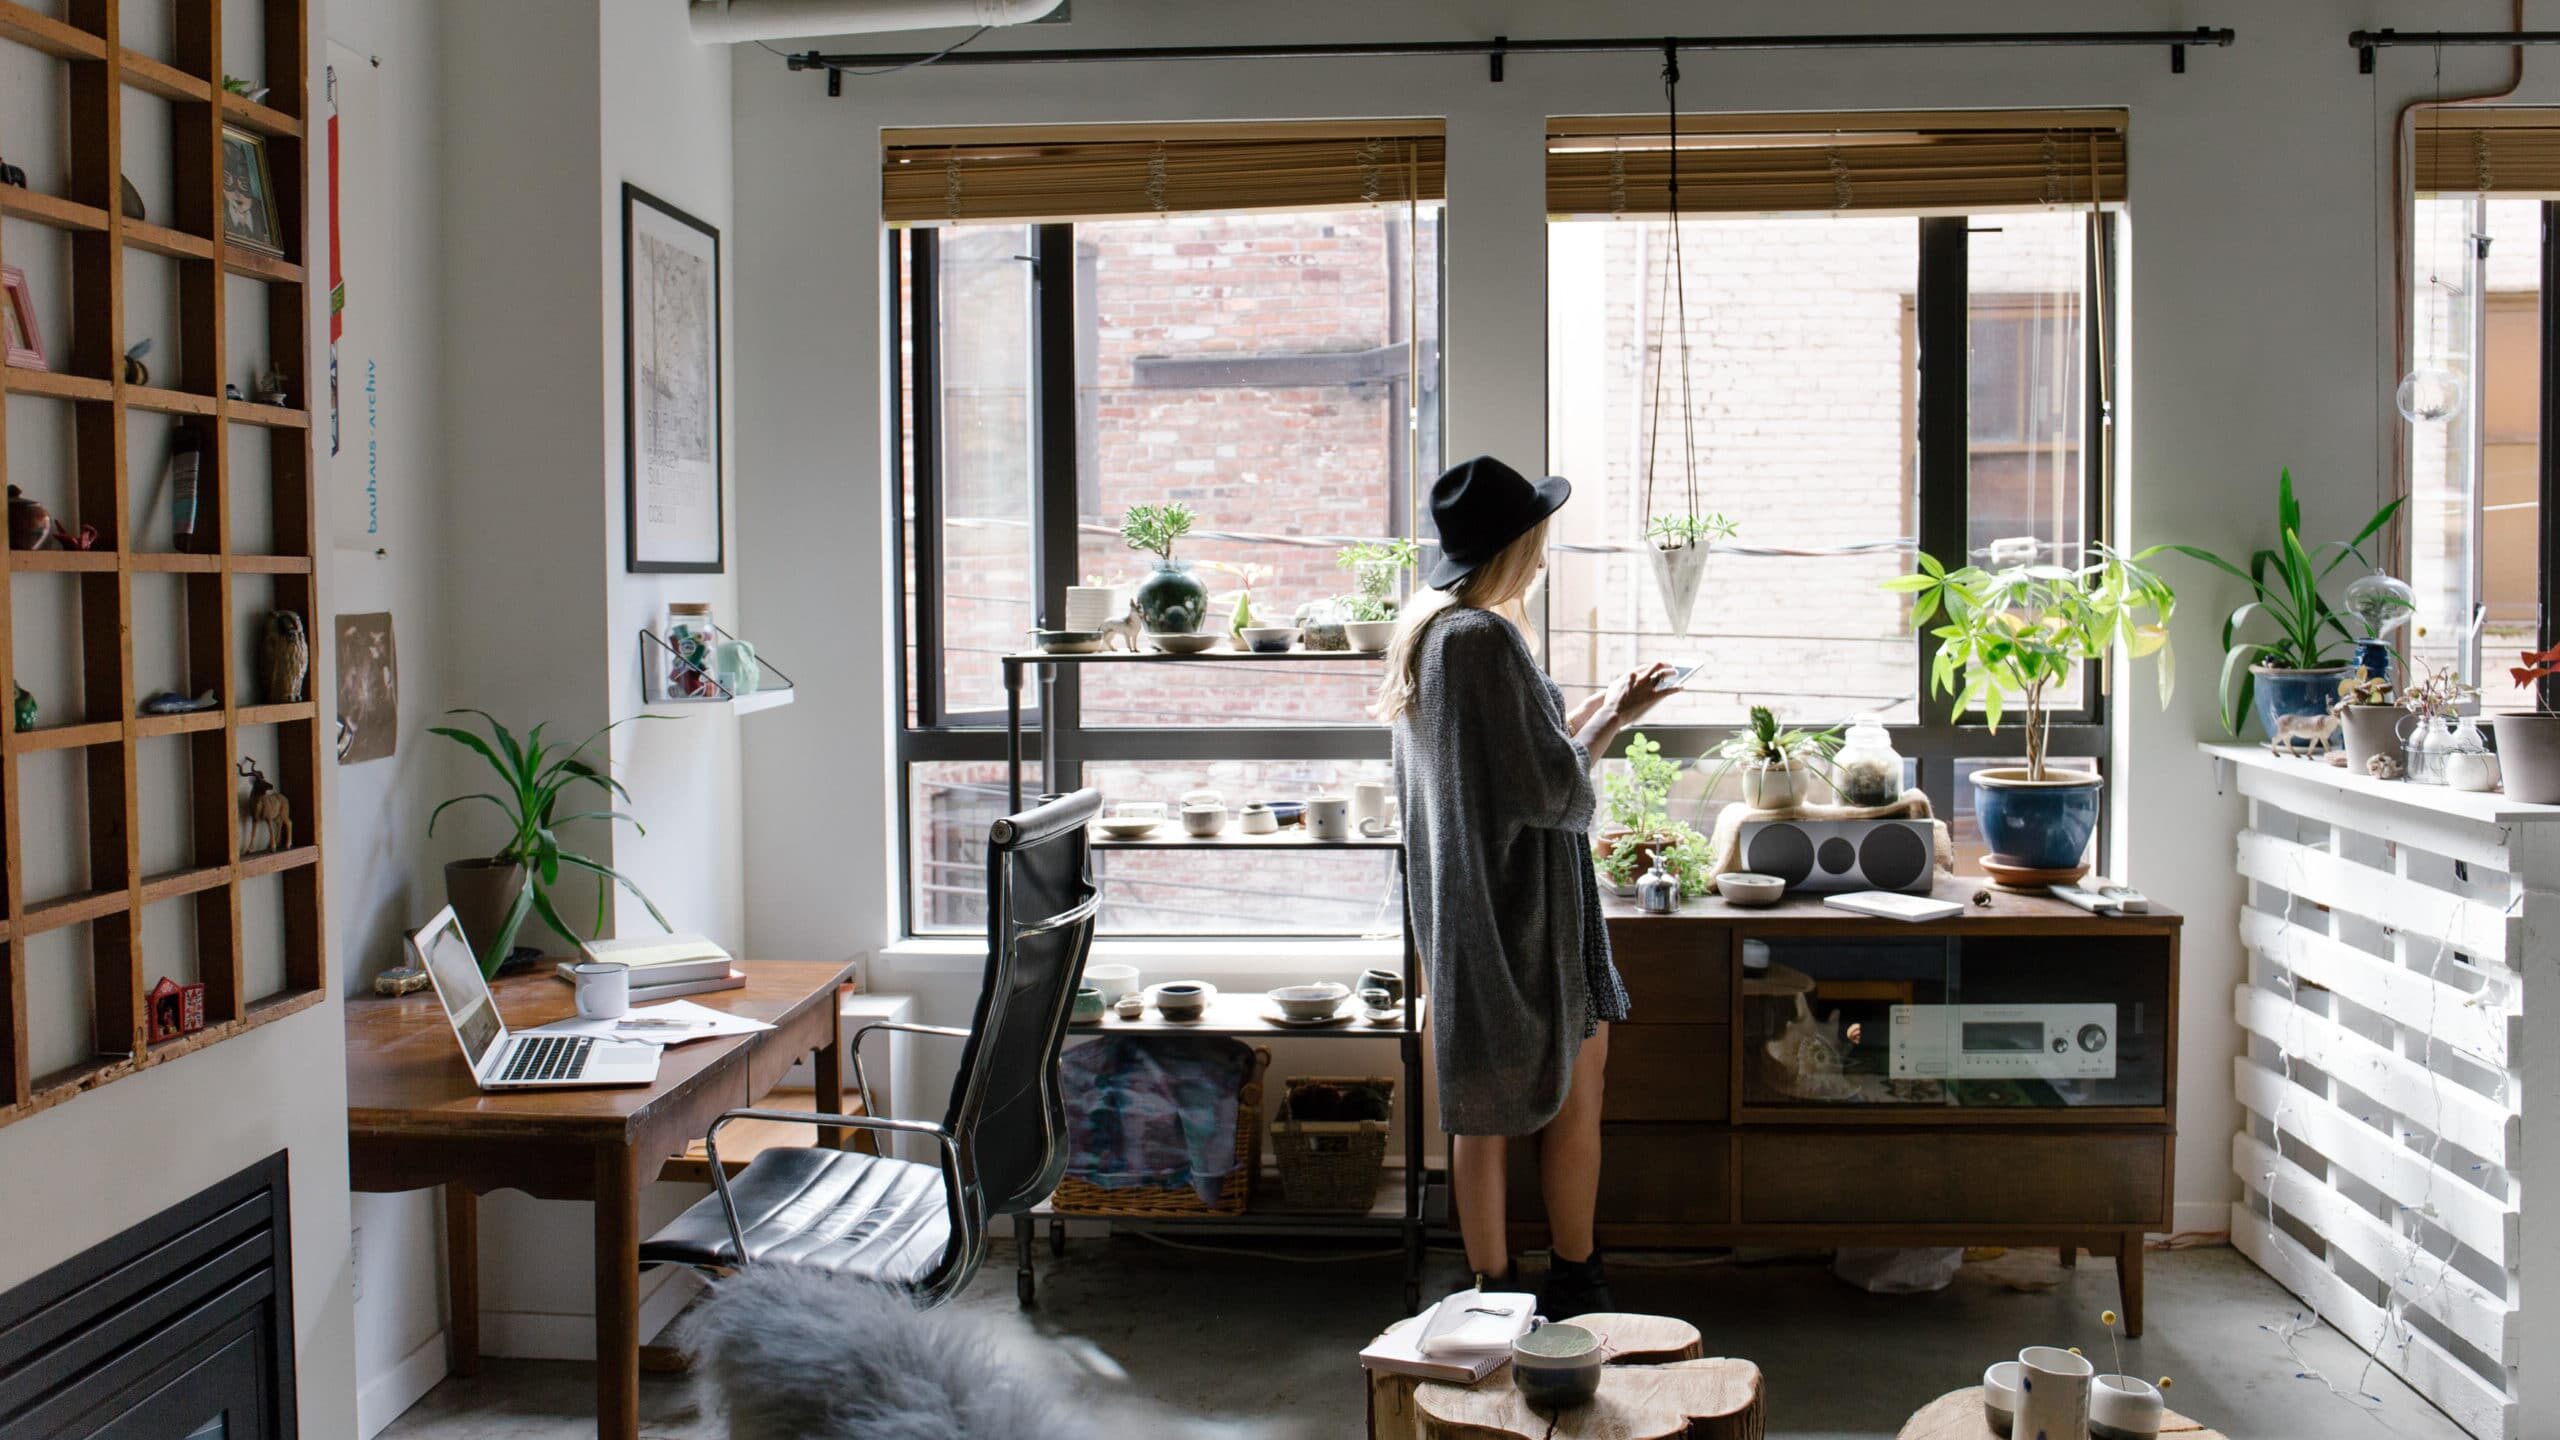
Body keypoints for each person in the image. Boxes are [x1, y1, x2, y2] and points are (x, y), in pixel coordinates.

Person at [1376, 455, 1682, 1318]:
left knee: (1477, 1107)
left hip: (1469, 917)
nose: (1545, 559)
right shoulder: (1487, 639)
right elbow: (1551, 792)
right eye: (1538, 543)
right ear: (1512, 548)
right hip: (1527, 918)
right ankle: (1576, 1280)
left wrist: (1603, 712)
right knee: (1575, 1096)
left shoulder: (1432, 635)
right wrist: (1611, 728)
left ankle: (1491, 1292)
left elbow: (1515, 763)